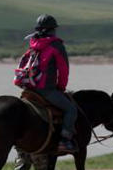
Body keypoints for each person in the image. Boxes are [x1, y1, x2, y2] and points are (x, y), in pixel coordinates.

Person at [25, 14, 77, 154]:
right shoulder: (56, 45)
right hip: (46, 90)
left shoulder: (33, 42)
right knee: (71, 109)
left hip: (29, 88)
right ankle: (64, 141)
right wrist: (61, 88)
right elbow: (63, 70)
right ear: (52, 29)